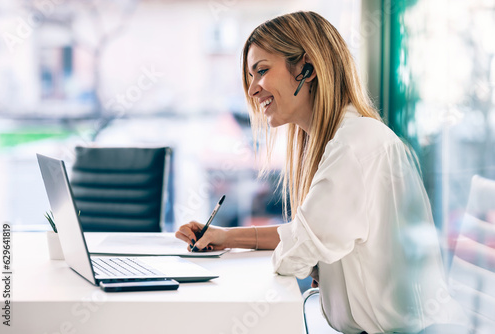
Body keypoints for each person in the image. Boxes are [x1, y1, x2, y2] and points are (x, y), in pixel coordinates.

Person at [176, 11, 468, 334]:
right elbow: (305, 234)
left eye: (261, 71)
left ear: (306, 68)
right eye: (250, 76)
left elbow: (296, 252)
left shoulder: (355, 145)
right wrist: (226, 237)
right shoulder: (346, 139)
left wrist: (299, 253)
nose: (252, 89)